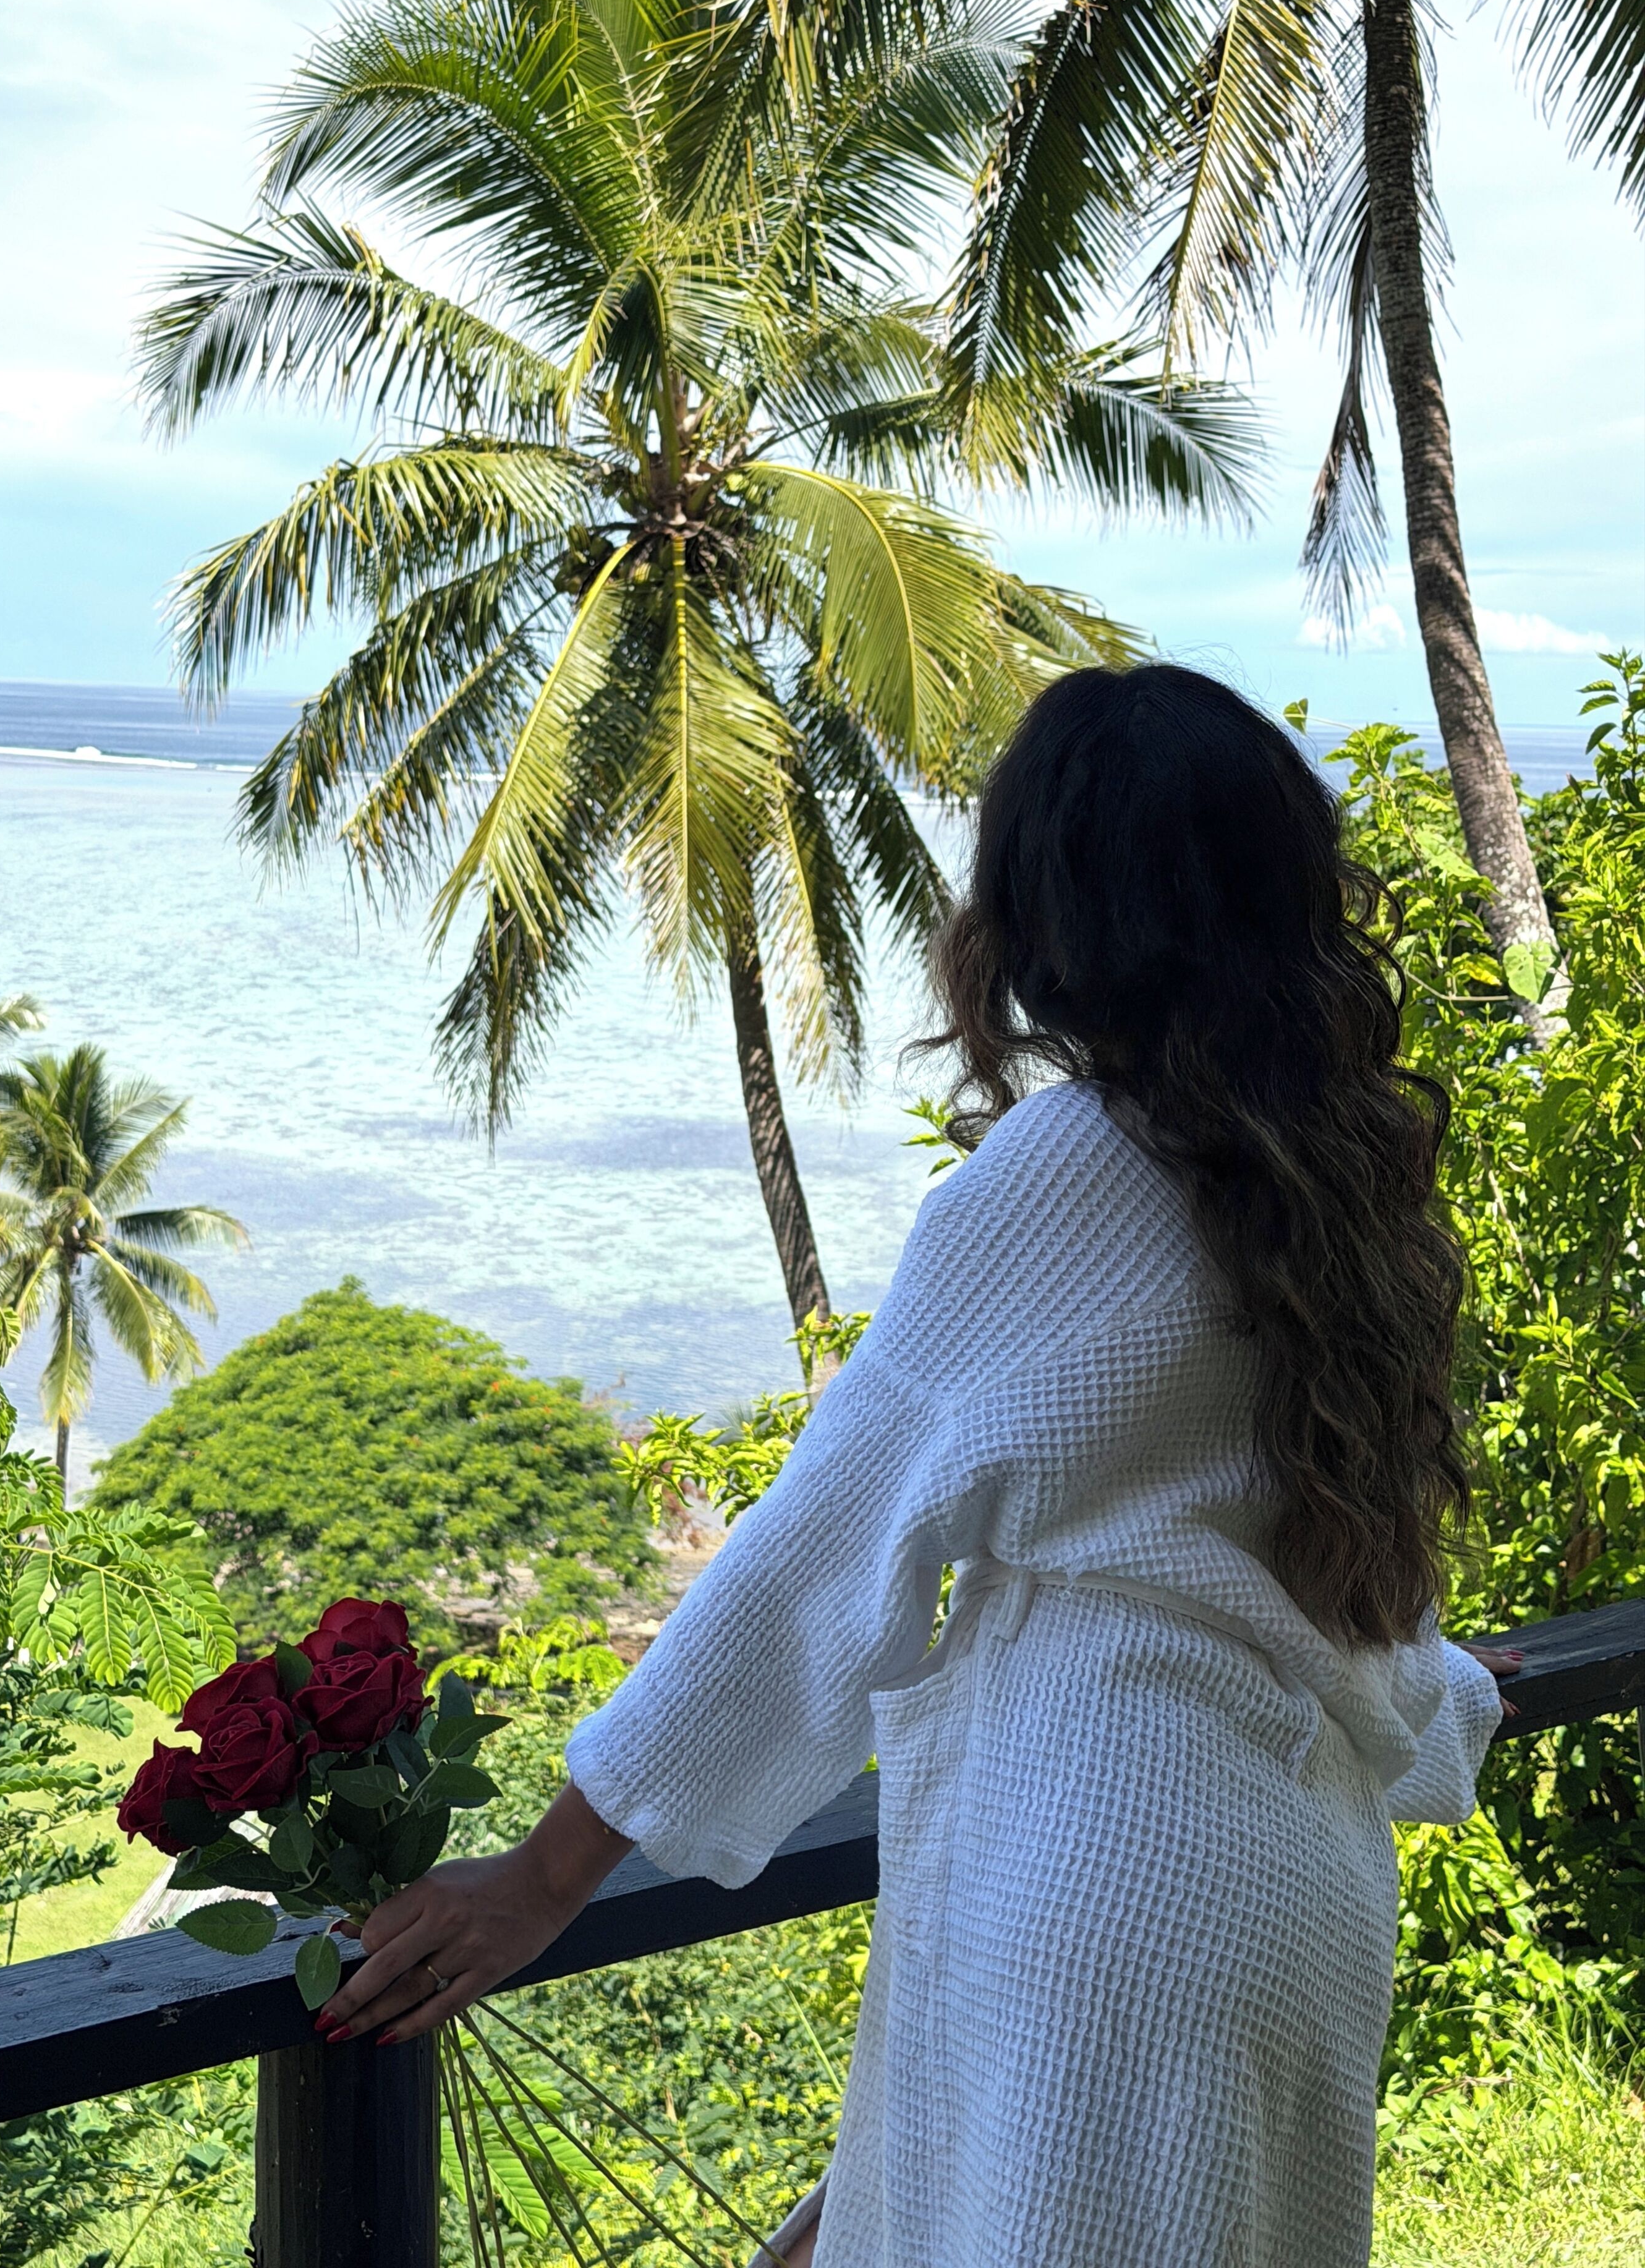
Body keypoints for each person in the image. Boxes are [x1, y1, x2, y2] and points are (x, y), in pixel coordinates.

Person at [319, 665, 1521, 2267]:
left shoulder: (1076, 1167)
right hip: (1287, 1898)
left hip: (1104, 1877)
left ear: (1042, 911)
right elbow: (1302, 1584)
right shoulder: (1348, 1184)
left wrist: (545, 1879)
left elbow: (823, 1552)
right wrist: (1456, 1695)